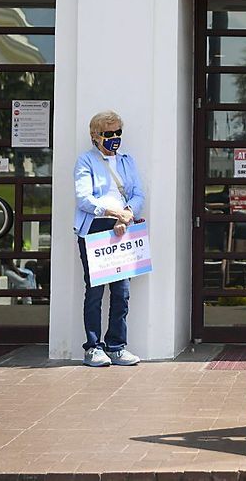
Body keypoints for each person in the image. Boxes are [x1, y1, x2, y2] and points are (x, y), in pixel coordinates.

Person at [73, 110, 146, 367]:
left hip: (123, 227)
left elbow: (138, 194)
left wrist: (126, 215)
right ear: (95, 136)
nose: (114, 138)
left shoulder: (127, 161)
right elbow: (84, 199)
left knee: (121, 291)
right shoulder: (86, 161)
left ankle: (116, 346)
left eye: (118, 133)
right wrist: (113, 212)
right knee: (94, 291)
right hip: (96, 227)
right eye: (108, 134)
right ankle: (93, 347)